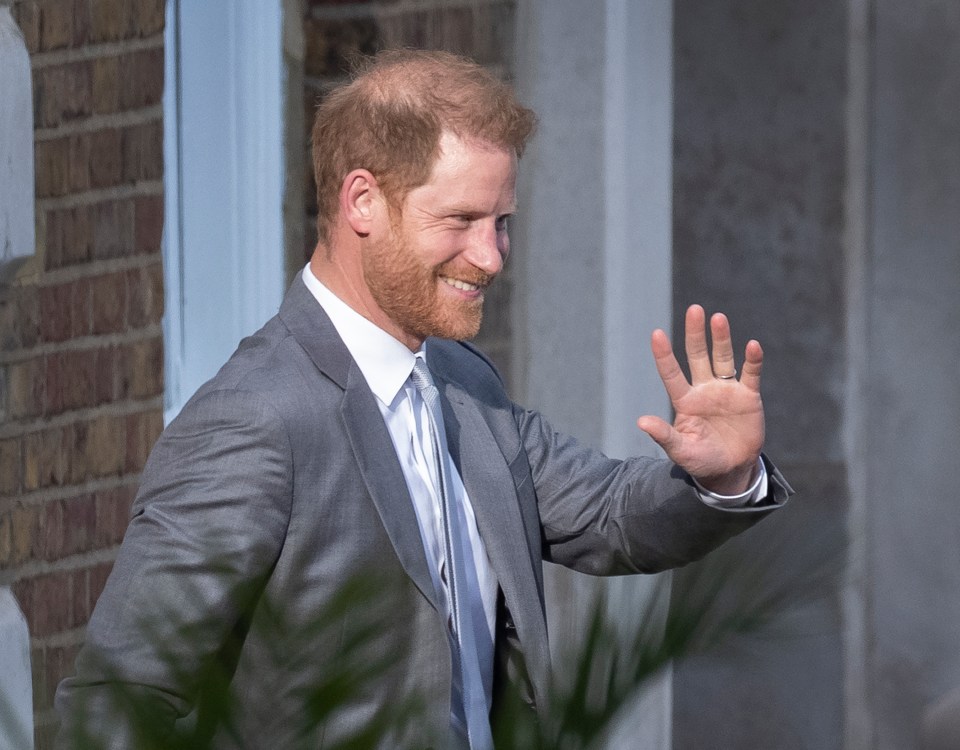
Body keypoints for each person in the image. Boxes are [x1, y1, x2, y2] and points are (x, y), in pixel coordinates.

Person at [55, 49, 791, 749]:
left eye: (501, 223)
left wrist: (719, 477)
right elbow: (121, 698)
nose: (491, 256)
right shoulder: (253, 421)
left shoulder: (464, 383)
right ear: (363, 201)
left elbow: (605, 514)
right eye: (460, 221)